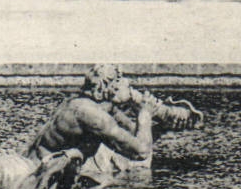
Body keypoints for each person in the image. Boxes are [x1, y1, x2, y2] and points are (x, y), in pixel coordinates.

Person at [23, 64, 158, 162]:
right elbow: (141, 152)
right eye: (127, 86)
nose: (131, 90)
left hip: (35, 161)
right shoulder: (92, 115)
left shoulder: (82, 102)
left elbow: (133, 135)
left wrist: (137, 108)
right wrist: (145, 114)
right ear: (111, 88)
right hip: (38, 171)